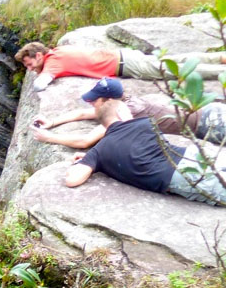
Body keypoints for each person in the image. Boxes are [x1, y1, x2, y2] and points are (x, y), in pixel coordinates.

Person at [64, 100, 226, 206]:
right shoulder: (145, 123)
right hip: (193, 155)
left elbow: (72, 180)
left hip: (178, 176)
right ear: (121, 113)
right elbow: (134, 146)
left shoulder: (100, 151)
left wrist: (89, 161)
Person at [32, 77, 226, 148]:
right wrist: (52, 121)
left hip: (212, 125)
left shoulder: (124, 113)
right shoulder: (120, 101)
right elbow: (82, 114)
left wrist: (50, 138)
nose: (91, 103)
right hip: (209, 111)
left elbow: (85, 141)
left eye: (94, 100)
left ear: (108, 100)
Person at [15, 42, 226, 91]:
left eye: (30, 63)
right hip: (123, 54)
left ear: (40, 55)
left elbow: (40, 85)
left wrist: (38, 75)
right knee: (174, 60)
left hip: (125, 65)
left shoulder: (52, 63)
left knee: (175, 71)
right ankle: (218, 58)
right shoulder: (58, 50)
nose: (30, 68)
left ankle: (220, 71)